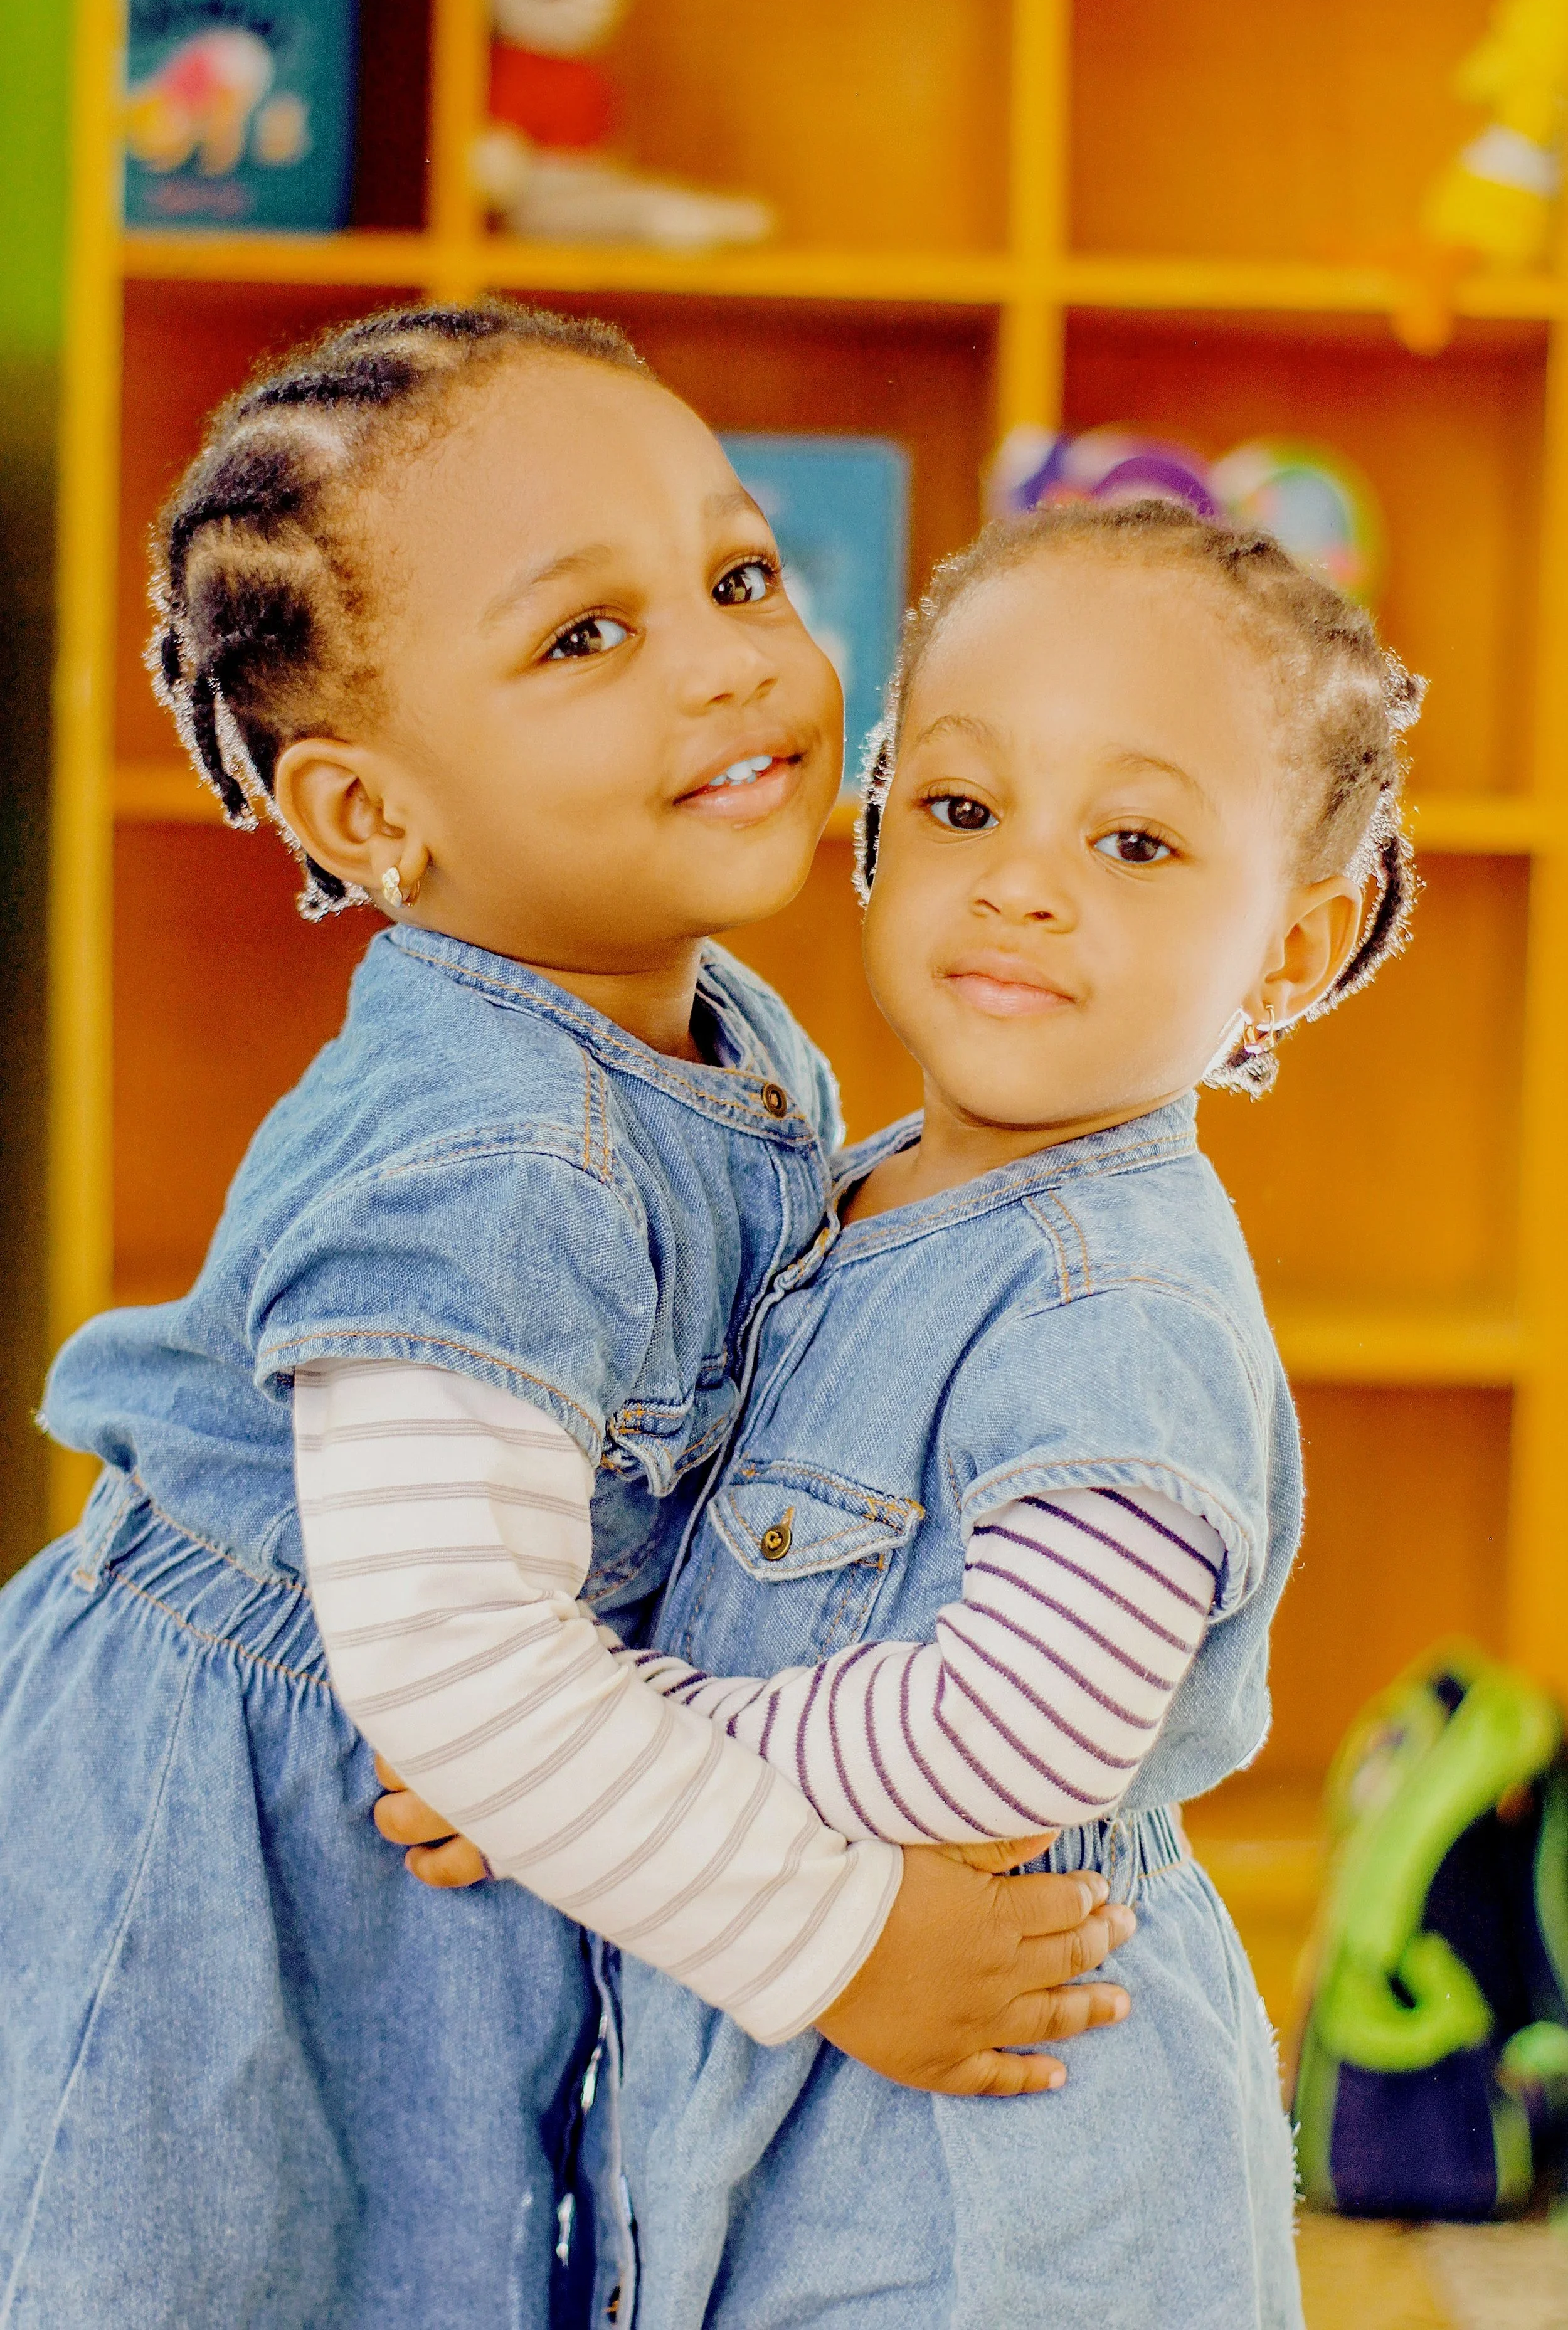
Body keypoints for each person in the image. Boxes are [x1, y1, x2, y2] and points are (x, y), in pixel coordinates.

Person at [0, 302, 1128, 2330]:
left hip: (464, 1797)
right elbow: (444, 1658)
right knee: (187, 2266)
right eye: (581, 639)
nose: (724, 658)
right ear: (366, 817)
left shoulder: (711, 1018)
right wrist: (845, 1941)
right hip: (214, 1865)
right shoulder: (491, 1155)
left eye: (737, 574)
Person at [369, 498, 1420, 2327]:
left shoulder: (1116, 1296)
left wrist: (577, 1759)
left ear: (1292, 950)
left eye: (1136, 840)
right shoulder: (833, 1197)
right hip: (784, 2109)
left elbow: (1020, 1733)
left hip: (997, 2171)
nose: (1021, 881)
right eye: (959, 808)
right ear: (868, 835)